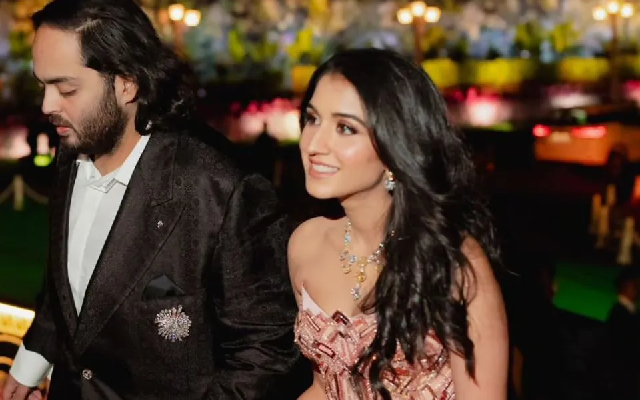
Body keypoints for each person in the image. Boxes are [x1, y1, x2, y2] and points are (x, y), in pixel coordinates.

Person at [1, 0, 309, 399]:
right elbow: (65, 291)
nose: (47, 105)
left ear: (127, 83)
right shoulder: (71, 151)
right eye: (43, 85)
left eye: (67, 89)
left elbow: (266, 353)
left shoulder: (222, 187)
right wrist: (27, 368)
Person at [288, 48, 509, 400]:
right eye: (312, 119)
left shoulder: (453, 263)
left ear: (395, 147)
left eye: (345, 128)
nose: (314, 144)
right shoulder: (306, 243)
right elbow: (324, 387)